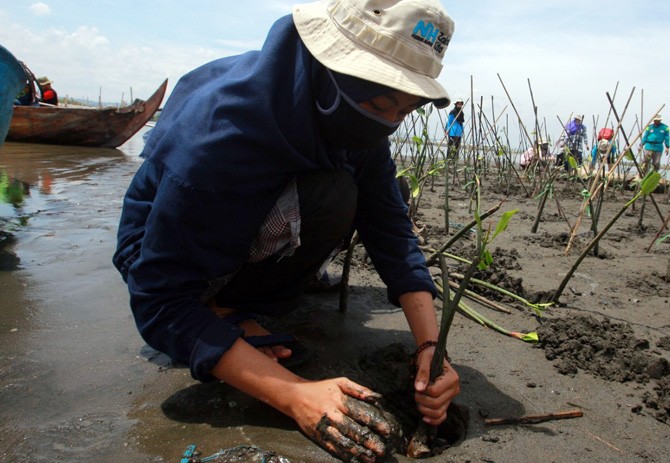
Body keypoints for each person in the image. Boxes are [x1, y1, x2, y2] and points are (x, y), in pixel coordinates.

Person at [112, 0, 459, 461]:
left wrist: (431, 348)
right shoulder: (221, 134)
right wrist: (296, 395)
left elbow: (389, 227)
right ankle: (218, 307)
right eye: (379, 104)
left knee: (359, 188)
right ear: (328, 69)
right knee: (331, 191)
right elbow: (157, 300)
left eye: (405, 110)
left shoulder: (363, 127)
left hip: (251, 225)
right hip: (165, 253)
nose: (389, 122)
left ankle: (238, 304)